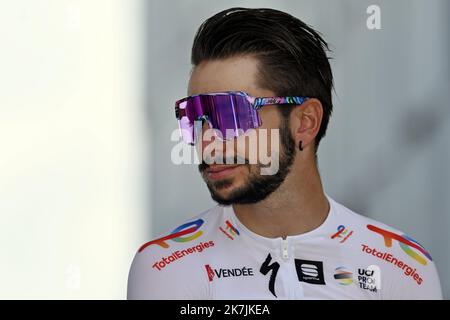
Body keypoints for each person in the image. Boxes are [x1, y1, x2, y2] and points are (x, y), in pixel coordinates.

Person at [128, 7, 442, 299]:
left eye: (230, 115)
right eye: (194, 116)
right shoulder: (166, 268)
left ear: (305, 123)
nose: (207, 141)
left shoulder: (403, 268)